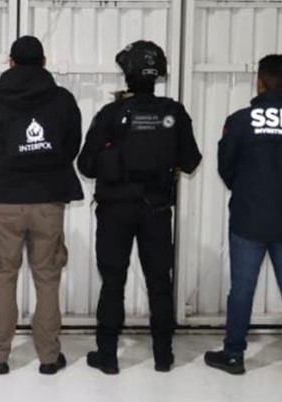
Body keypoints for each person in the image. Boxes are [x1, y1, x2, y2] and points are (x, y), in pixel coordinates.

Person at [78, 41, 202, 374]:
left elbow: (85, 165)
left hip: (115, 210)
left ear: (127, 73)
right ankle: (163, 356)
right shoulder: (174, 113)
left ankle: (108, 357)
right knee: (160, 281)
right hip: (157, 209)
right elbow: (191, 161)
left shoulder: (110, 114)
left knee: (113, 282)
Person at [0, 36, 83, 375]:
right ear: (44, 62)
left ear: (10, 62)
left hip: (7, 201)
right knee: (47, 278)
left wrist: (6, 168)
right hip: (49, 201)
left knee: (4, 278)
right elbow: (71, 146)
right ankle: (49, 357)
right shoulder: (63, 100)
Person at [204, 55, 282, 377]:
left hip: (248, 218)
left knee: (242, 290)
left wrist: (246, 190)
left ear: (259, 81)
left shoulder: (240, 120)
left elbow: (226, 166)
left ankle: (234, 355)